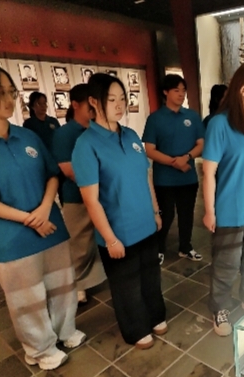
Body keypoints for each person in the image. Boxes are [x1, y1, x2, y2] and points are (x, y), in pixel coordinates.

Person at [0, 61, 84, 371]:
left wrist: (43, 209)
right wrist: (29, 219)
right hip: (11, 238)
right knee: (27, 299)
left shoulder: (27, 136)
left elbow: (52, 174)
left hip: (50, 225)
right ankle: (40, 349)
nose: (9, 99)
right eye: (0, 92)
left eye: (11, 92)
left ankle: (65, 330)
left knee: (62, 285)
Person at [72, 73, 166, 349]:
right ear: (94, 102)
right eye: (111, 99)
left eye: (122, 99)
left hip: (145, 223)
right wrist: (110, 239)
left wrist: (156, 212)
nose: (119, 105)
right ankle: (136, 329)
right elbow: (91, 200)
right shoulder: (86, 144)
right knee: (127, 286)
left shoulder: (131, 135)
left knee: (151, 276)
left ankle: (156, 315)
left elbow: (146, 176)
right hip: (118, 231)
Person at [202, 62, 244, 336]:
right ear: (243, 89)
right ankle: (219, 307)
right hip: (230, 208)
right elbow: (209, 172)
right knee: (227, 264)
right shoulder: (219, 124)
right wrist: (209, 211)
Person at [52, 84, 107, 304]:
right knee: (79, 244)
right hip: (77, 198)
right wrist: (99, 184)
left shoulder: (98, 130)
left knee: (100, 239)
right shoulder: (65, 134)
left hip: (103, 195)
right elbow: (68, 170)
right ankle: (76, 285)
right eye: (89, 105)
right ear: (75, 105)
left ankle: (94, 278)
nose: (94, 109)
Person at [142, 74, 204, 265]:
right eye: (176, 90)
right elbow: (149, 149)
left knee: (187, 214)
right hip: (164, 179)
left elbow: (201, 144)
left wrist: (187, 157)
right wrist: (173, 162)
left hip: (188, 176)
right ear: (165, 92)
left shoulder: (192, 116)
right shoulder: (155, 119)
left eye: (183, 90)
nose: (181, 94)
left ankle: (185, 247)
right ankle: (159, 248)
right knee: (165, 215)